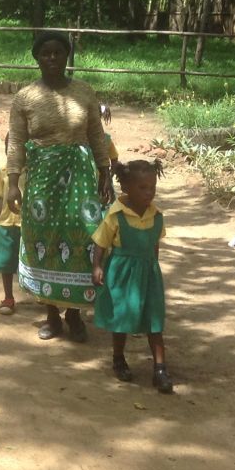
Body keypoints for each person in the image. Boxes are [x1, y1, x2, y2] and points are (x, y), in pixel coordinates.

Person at [4, 30, 112, 342]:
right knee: (43, 239)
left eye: (58, 52)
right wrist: (13, 183)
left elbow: (97, 135)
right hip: (42, 179)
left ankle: (74, 314)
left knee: (83, 238)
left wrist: (105, 172)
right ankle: (51, 314)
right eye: (45, 53)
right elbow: (16, 143)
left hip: (80, 177)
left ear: (66, 56)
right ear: (37, 58)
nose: (52, 58)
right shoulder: (25, 98)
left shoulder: (83, 91)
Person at [92, 159, 172, 392]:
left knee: (154, 321)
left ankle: (160, 369)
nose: (149, 192)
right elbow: (100, 242)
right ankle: (118, 359)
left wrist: (153, 268)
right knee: (122, 318)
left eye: (152, 187)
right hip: (122, 275)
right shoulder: (115, 216)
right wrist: (97, 266)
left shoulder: (156, 216)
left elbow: (154, 245)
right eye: (142, 187)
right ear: (126, 187)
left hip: (148, 275)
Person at [0, 143, 23, 316]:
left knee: (31, 260)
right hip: (6, 222)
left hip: (26, 224)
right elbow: (1, 198)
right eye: (9, 148)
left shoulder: (32, 172)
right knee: (6, 262)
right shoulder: (3, 171)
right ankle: (8, 297)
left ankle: (40, 294)